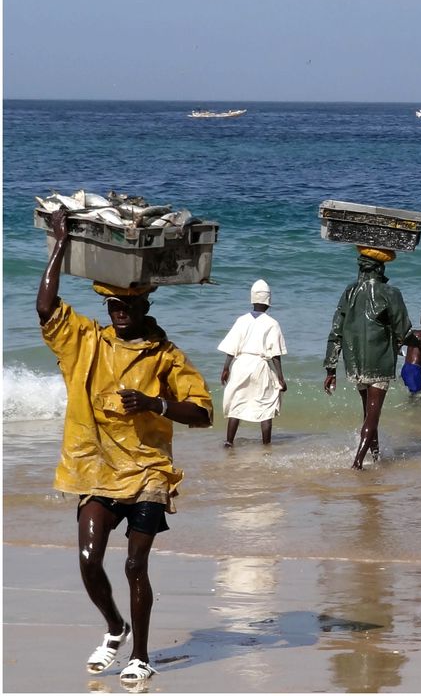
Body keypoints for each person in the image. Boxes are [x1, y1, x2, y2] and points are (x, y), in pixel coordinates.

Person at [36, 208, 213, 686]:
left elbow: (202, 413)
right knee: (89, 561)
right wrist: (58, 244)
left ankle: (140, 654)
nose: (118, 314)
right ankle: (115, 626)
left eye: (126, 308)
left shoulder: (167, 356)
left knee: (136, 563)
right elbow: (46, 309)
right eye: (112, 306)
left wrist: (156, 404)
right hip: (97, 468)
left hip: (150, 472)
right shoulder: (86, 342)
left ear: (143, 310)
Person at [323, 246, 415, 470]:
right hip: (379, 362)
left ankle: (375, 457)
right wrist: (420, 343)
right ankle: (357, 464)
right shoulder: (390, 293)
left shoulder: (349, 291)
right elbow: (404, 331)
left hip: (354, 364)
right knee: (373, 416)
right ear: (381, 268)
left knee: (367, 413)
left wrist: (330, 369)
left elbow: (336, 331)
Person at [218, 279, 287, 448]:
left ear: (252, 299)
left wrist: (226, 367)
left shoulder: (241, 320)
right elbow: (275, 354)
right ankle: (266, 445)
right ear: (269, 300)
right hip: (260, 366)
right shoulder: (272, 324)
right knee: (265, 406)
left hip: (240, 364)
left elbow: (232, 347)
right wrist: (280, 377)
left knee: (236, 402)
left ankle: (229, 442)